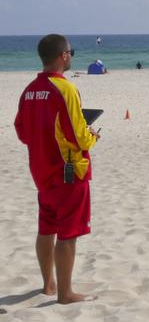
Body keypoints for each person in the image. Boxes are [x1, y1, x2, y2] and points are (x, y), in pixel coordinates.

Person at [14, 34, 100, 304]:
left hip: (41, 170)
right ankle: (65, 293)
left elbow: (22, 131)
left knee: (46, 228)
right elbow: (77, 135)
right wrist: (92, 136)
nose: (71, 56)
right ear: (63, 55)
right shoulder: (65, 88)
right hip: (69, 170)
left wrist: (45, 142)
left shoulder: (29, 89)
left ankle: (48, 284)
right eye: (70, 52)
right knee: (68, 232)